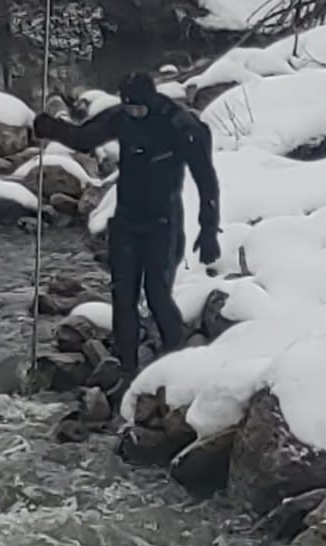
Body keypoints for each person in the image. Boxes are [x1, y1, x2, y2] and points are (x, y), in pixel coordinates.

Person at [33, 72, 221, 376]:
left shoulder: (180, 125)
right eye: (129, 108)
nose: (134, 113)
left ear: (150, 102)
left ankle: (178, 364)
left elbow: (206, 180)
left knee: (157, 294)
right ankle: (127, 368)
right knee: (123, 296)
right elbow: (84, 138)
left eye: (139, 109)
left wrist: (209, 229)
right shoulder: (121, 117)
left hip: (163, 223)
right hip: (127, 220)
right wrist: (52, 128)